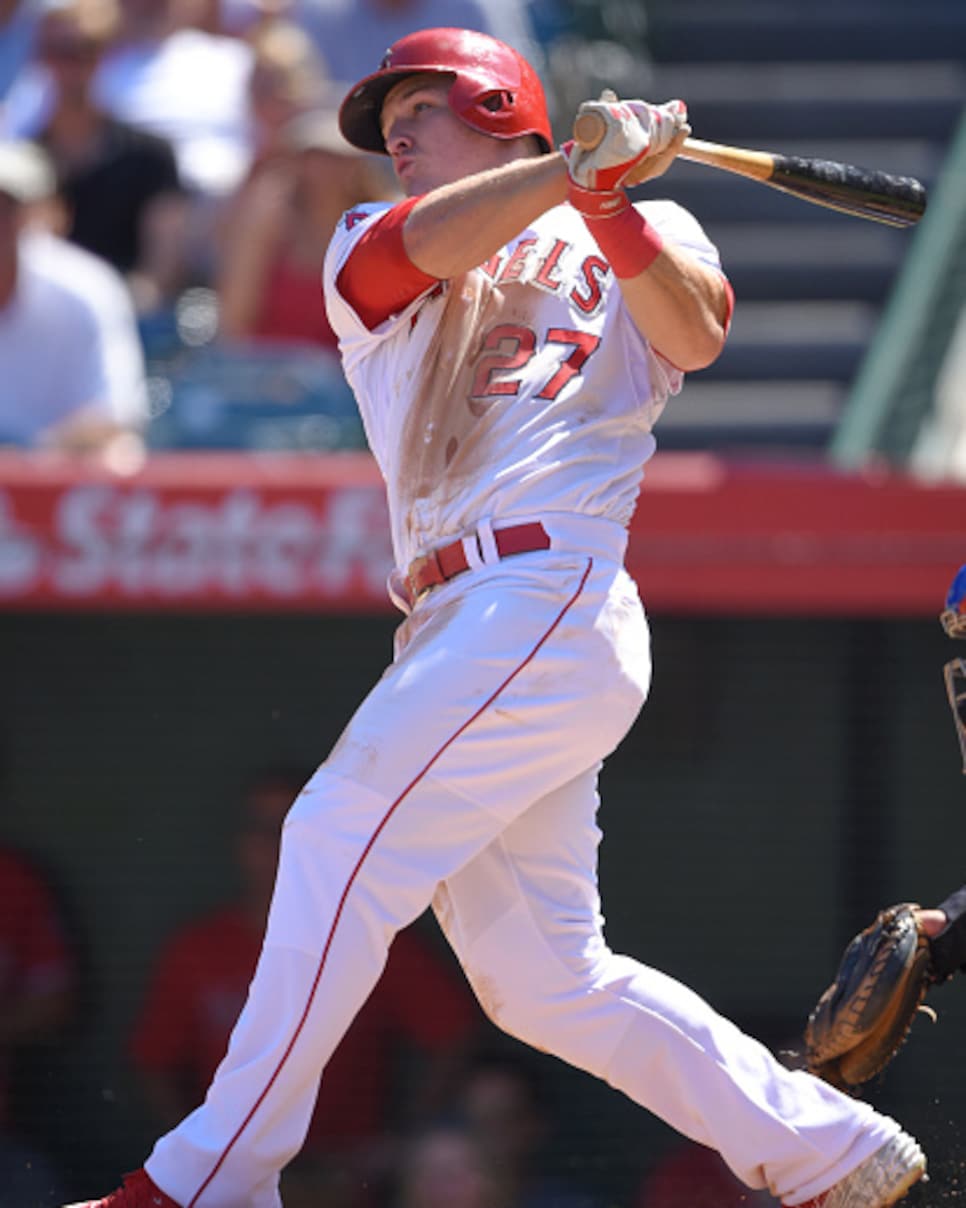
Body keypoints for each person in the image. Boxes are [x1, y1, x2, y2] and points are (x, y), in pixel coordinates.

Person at [65, 27, 928, 1208]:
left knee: (332, 830)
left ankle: (210, 1176)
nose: (397, 141)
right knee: (542, 978)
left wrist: (612, 203)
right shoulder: (369, 238)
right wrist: (574, 169)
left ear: (496, 101)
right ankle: (831, 1149)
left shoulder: (645, 226)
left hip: (547, 586)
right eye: (387, 125)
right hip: (455, 616)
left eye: (418, 111)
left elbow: (695, 332)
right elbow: (416, 249)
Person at [129, 769, 481, 1208]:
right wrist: (203, 1161)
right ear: (239, 843)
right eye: (260, 829)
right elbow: (154, 1062)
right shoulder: (197, 949)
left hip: (347, 1174)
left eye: (290, 826)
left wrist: (397, 1142)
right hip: (232, 1177)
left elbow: (452, 1034)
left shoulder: (371, 937)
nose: (274, 843)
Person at [31, 0, 190, 314]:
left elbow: (160, 273)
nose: (69, 65)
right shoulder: (20, 162)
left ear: (105, 56)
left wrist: (104, 311)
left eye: (83, 50)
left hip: (131, 324)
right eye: (56, 51)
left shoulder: (151, 156)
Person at [0, 138, 148, 461]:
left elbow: (113, 416)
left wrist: (29, 457)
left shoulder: (85, 288)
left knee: (119, 456)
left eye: (6, 208)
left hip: (58, 469)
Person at [215, 102, 396, 349]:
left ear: (358, 166)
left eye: (336, 159)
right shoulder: (267, 224)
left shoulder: (381, 229)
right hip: (266, 373)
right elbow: (234, 324)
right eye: (312, 157)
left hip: (348, 379)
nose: (321, 170)